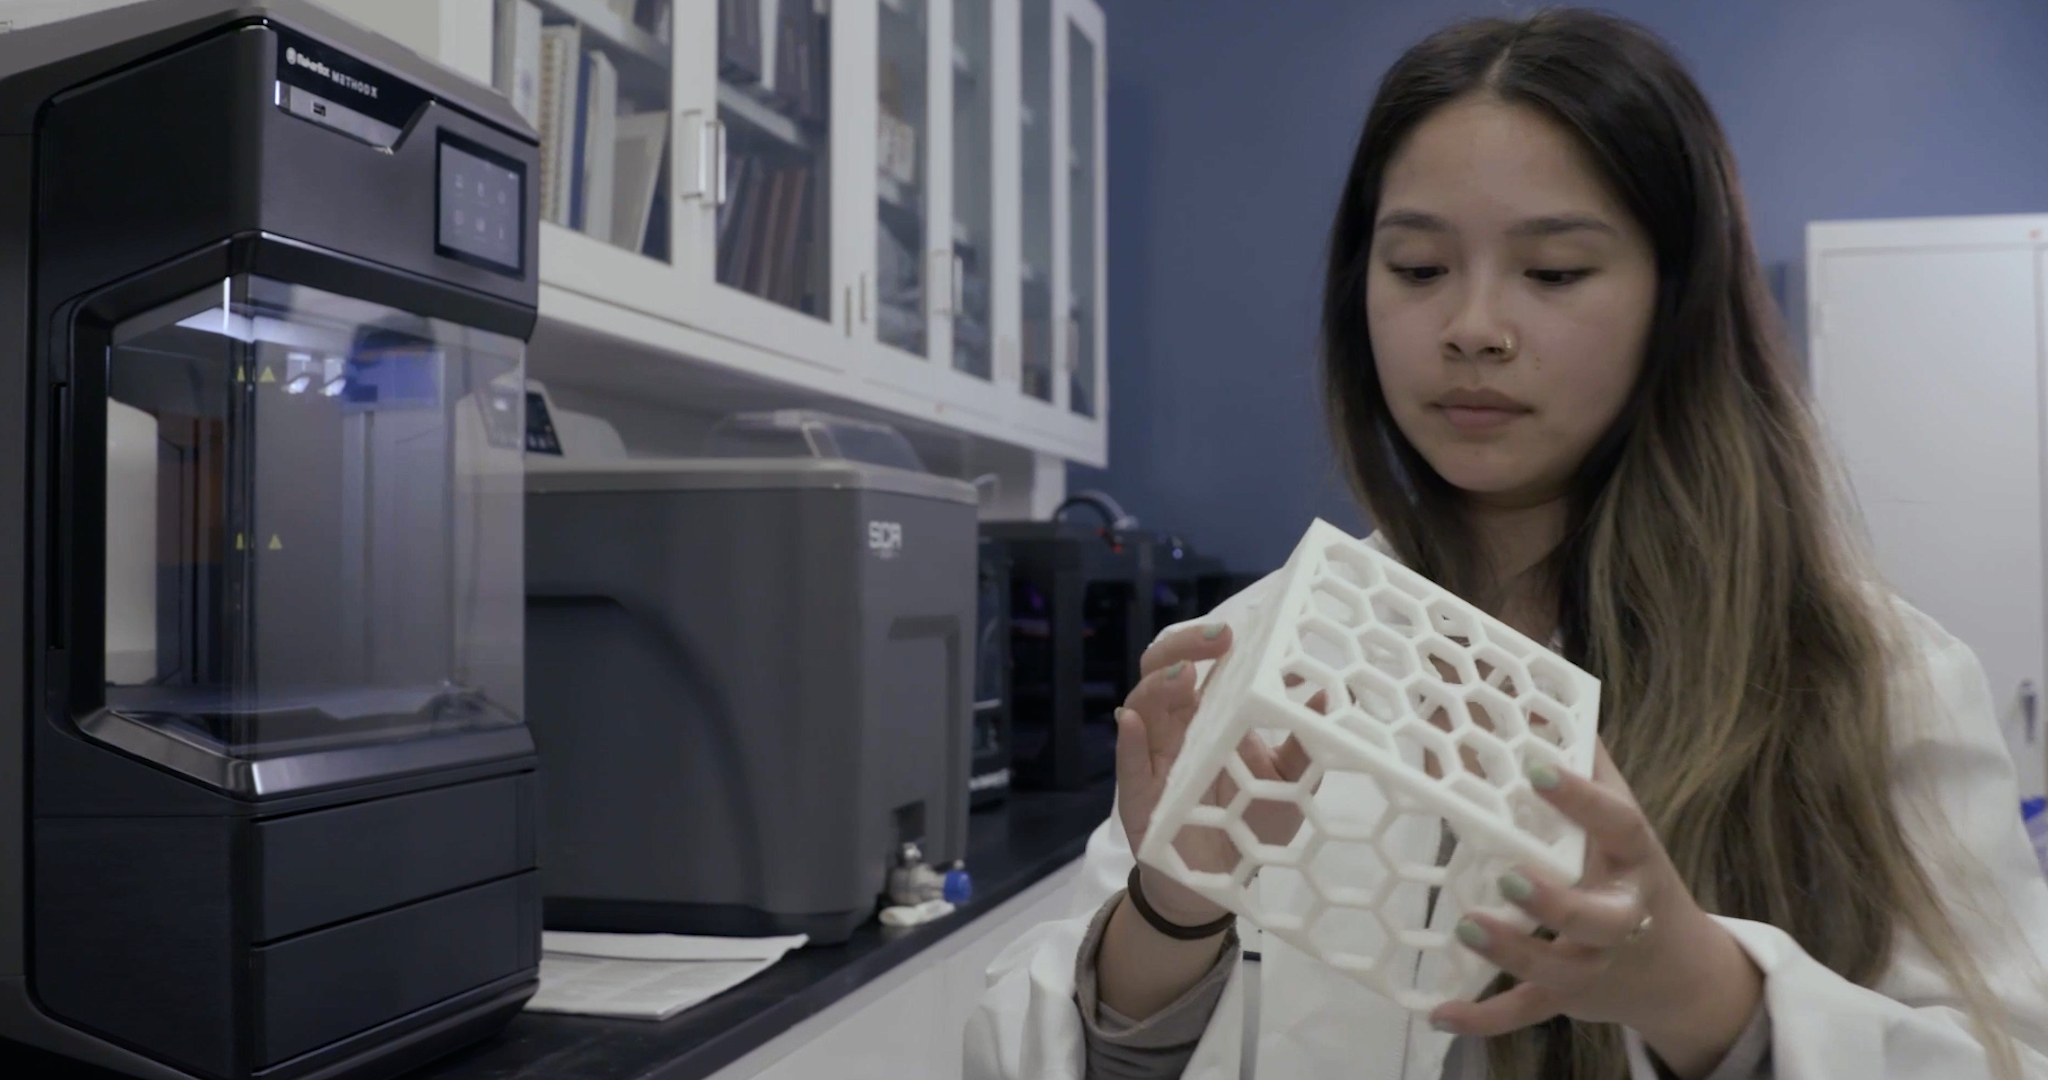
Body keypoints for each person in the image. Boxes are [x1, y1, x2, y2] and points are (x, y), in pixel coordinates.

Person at [964, 9, 2048, 1080]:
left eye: (1554, 273)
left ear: (1673, 304)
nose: (1470, 326)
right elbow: (1024, 1050)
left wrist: (1704, 999)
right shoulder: (1248, 651)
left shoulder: (1872, 678)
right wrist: (1170, 908)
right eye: (1419, 267)